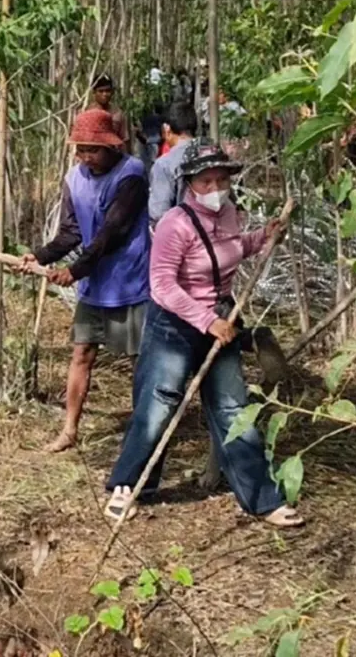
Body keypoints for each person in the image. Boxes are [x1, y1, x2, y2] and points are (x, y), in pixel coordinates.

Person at [103, 143, 301, 528]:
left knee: (233, 408)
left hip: (221, 322)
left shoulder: (229, 214)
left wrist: (263, 237)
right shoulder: (174, 224)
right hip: (175, 324)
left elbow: (230, 250)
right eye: (206, 180)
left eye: (222, 179)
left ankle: (262, 499)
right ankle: (127, 486)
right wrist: (204, 320)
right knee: (158, 406)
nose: (215, 187)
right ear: (190, 184)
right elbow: (161, 285)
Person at [18, 108, 150, 452]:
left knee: (140, 359)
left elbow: (114, 232)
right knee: (82, 354)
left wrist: (74, 270)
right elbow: (72, 231)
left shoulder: (131, 175)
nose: (86, 157)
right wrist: (42, 255)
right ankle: (70, 429)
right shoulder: (75, 178)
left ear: (111, 147)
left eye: (93, 149)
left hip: (129, 280)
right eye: (81, 149)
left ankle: (143, 432)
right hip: (94, 285)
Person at [148, 101, 199, 225]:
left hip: (184, 235)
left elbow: (159, 213)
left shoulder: (165, 164)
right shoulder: (214, 151)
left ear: (166, 129)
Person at [90, 74, 131, 154]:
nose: (104, 94)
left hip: (114, 156)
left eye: (107, 91)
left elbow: (124, 139)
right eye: (101, 91)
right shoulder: (87, 113)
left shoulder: (118, 114)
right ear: (94, 92)